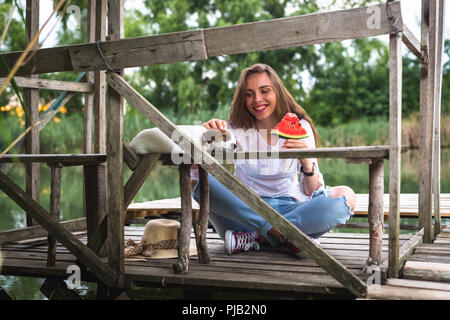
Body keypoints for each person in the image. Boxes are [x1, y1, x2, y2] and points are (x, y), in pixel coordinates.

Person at [191, 63, 356, 256]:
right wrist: (203, 135)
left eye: (264, 91)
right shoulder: (233, 130)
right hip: (244, 211)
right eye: (249, 94)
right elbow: (195, 173)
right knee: (203, 184)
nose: (257, 99)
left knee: (346, 197)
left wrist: (306, 163)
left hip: (291, 208)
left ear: (277, 92)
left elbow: (311, 191)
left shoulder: (301, 127)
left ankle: (257, 238)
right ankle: (285, 235)